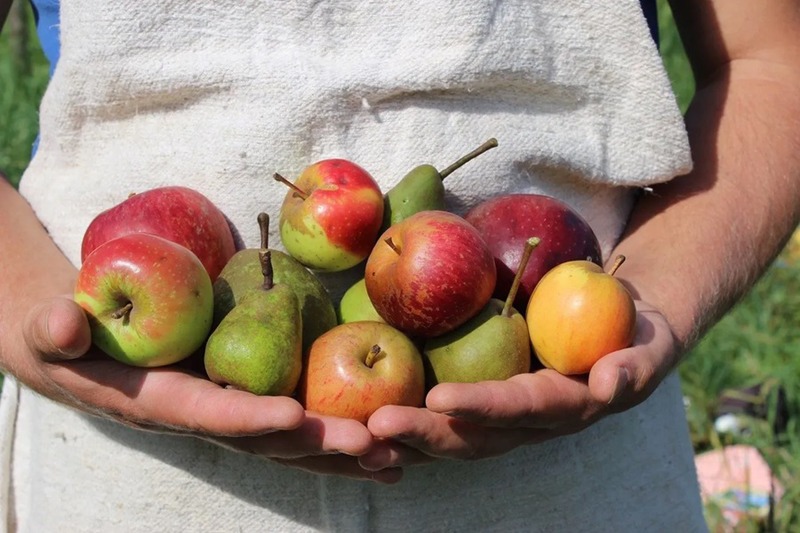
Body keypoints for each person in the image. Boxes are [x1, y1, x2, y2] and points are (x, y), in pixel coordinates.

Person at [1, 0, 798, 530]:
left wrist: (650, 302)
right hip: (127, 467)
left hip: (573, 465)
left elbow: (775, 61)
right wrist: (25, 311)